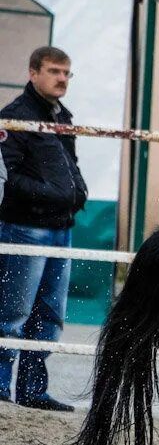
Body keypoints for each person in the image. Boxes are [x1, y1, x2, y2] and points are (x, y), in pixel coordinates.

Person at [0, 46, 88, 412]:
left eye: (67, 73)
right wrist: (54, 195)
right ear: (33, 72)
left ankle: (33, 389)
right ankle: (2, 388)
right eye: (54, 71)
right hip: (26, 227)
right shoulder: (15, 118)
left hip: (59, 227)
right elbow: (8, 176)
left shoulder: (61, 116)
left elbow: (69, 166)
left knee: (50, 313)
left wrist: (77, 192)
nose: (62, 79)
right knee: (13, 312)